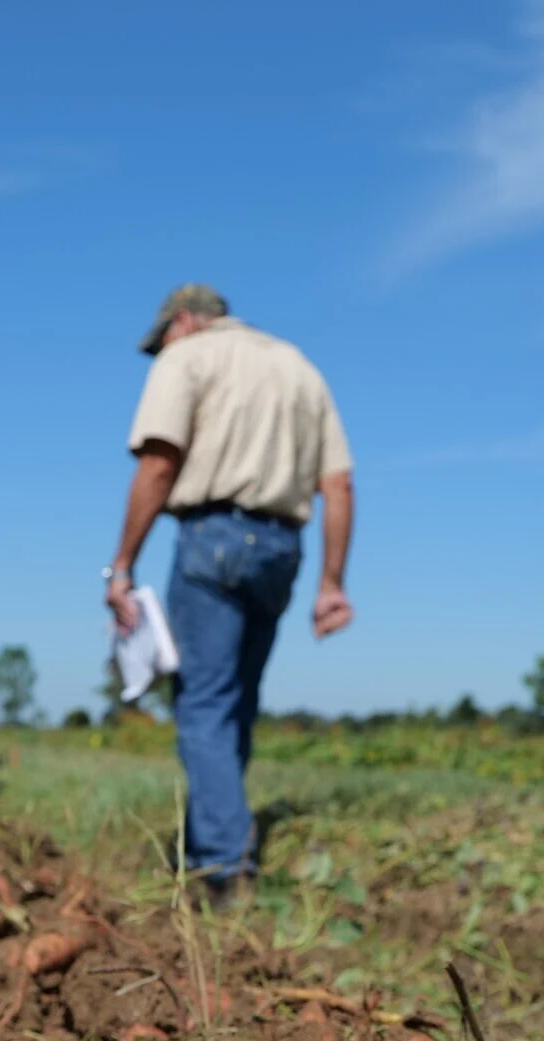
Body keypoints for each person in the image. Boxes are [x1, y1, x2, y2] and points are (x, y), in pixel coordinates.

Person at [105, 284, 355, 893]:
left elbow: (160, 464)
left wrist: (122, 565)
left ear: (185, 322)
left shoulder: (188, 358)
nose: (160, 349)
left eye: (161, 337)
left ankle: (223, 868)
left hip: (213, 537)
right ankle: (212, 841)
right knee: (235, 703)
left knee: (204, 705)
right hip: (282, 550)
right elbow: (339, 485)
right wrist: (331, 584)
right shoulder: (300, 368)